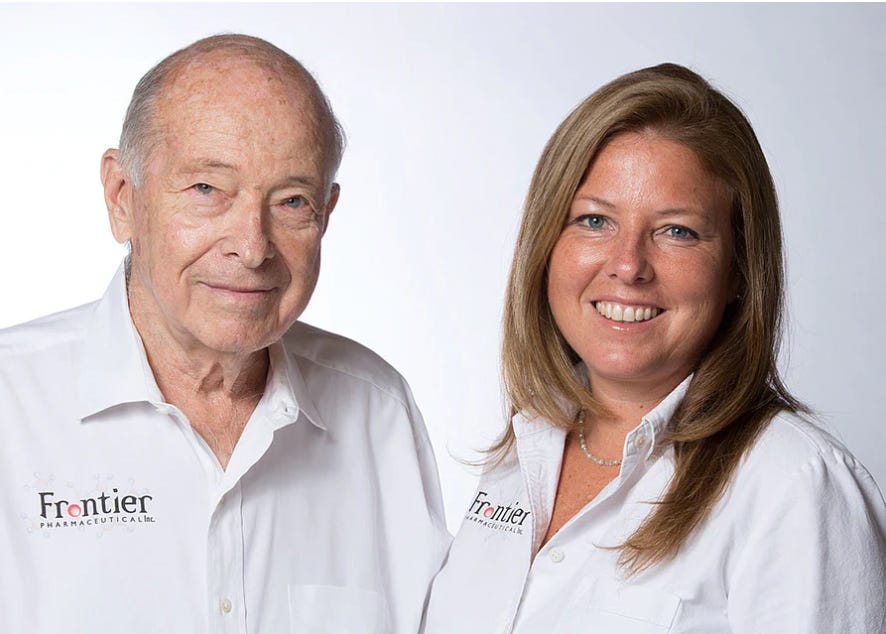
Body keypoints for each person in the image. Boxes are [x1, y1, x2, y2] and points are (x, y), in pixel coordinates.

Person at [0, 34, 449, 633]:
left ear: (326, 214)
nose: (252, 246)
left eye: (292, 201)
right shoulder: (12, 407)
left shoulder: (377, 409)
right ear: (121, 196)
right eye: (207, 190)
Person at [423, 63, 886, 633]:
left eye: (677, 231)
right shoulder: (521, 457)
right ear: (545, 245)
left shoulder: (795, 486)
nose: (628, 266)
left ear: (739, 270)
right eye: (595, 220)